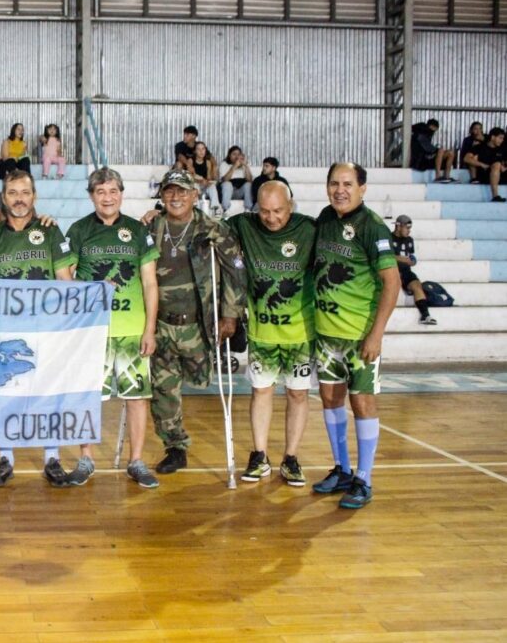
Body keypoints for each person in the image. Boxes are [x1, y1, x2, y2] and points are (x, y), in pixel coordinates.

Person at [0, 171, 78, 487]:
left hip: (45, 329)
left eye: (25, 192)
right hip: (5, 332)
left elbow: (65, 281)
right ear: (4, 198)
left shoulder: (50, 231)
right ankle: (5, 457)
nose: (19, 198)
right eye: (12, 192)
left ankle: (53, 459)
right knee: (5, 394)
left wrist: (90, 299)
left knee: (47, 394)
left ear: (34, 196)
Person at [63, 168, 161, 488]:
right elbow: (66, 277)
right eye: (101, 191)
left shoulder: (136, 230)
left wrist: (149, 330)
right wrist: (91, 286)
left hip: (132, 329)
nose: (108, 197)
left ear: (122, 193)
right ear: (91, 195)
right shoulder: (79, 230)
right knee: (91, 397)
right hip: (94, 330)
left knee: (137, 398)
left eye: (113, 191)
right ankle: (86, 458)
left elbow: (149, 282)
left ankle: (136, 461)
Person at [311, 162, 401, 509]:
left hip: (359, 335)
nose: (340, 190)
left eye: (347, 184)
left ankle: (364, 478)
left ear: (362, 188)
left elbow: (392, 282)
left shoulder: (372, 226)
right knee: (330, 399)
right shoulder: (325, 217)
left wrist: (376, 334)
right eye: (334, 183)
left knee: (361, 401)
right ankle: (343, 469)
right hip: (326, 335)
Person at [145, 169, 246, 474]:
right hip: (160, 324)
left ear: (194, 195)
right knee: (163, 391)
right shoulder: (152, 228)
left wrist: (230, 314)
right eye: (169, 192)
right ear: (162, 196)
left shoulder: (212, 229)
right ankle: (175, 447)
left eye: (182, 192)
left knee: (198, 381)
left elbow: (235, 270)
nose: (176, 197)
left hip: (198, 324)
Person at [227, 181, 317, 487]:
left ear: (290, 206)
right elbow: (206, 229)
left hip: (300, 334)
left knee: (298, 394)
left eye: (278, 211)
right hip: (262, 333)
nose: (272, 218)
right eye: (264, 211)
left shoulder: (309, 229)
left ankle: (291, 458)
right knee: (261, 392)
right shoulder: (244, 224)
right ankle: (259, 455)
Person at [391, 215, 437, 326]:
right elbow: (382, 255)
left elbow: (411, 256)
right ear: (398, 227)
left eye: (409, 228)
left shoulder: (409, 240)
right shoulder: (388, 238)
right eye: (407, 228)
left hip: (406, 271)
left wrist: (412, 261)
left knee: (417, 285)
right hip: (391, 270)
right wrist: (399, 259)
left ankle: (425, 315)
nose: (409, 231)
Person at [462, 126, 505, 202]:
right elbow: (466, 158)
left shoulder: (502, 149)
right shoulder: (480, 147)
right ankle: (495, 196)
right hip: (485, 175)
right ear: (492, 137)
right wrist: (482, 165)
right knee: (496, 164)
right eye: (500, 138)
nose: (501, 140)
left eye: (502, 138)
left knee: (498, 165)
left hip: (500, 175)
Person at [217, 146, 254, 214]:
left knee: (248, 185)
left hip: (239, 192)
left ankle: (248, 210)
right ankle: (225, 209)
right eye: (234, 154)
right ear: (229, 156)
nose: (236, 157)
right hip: (227, 192)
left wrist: (245, 165)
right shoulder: (224, 164)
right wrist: (234, 166)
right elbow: (224, 179)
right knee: (227, 184)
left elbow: (250, 180)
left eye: (238, 154)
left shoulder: (244, 165)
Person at [190, 141, 221, 214]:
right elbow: (190, 177)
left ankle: (216, 208)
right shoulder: (190, 161)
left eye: (203, 149)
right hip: (195, 186)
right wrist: (200, 181)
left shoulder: (208, 162)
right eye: (198, 149)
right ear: (195, 151)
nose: (201, 151)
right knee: (195, 185)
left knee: (212, 186)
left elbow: (208, 177)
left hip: (204, 187)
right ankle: (195, 209)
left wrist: (208, 182)